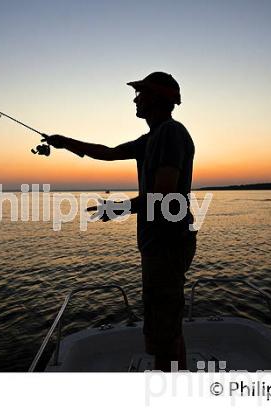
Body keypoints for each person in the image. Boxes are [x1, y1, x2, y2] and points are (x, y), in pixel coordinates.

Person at [43, 72, 197, 371]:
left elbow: (164, 193)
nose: (135, 99)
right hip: (160, 241)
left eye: (141, 93)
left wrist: (119, 209)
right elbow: (110, 153)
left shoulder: (170, 134)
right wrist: (66, 143)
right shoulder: (152, 137)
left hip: (167, 242)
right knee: (167, 325)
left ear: (158, 98)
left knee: (163, 329)